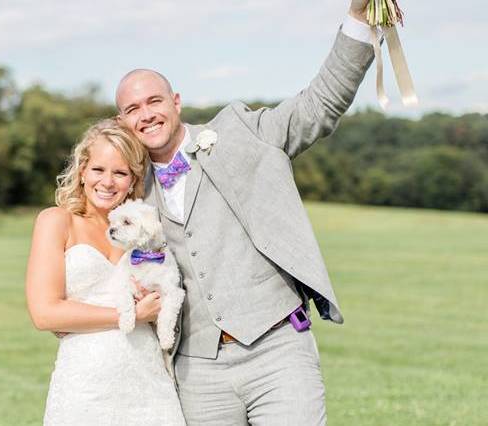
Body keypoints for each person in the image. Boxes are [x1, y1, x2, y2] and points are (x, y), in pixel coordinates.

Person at [114, 2, 377, 424]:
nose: (146, 114)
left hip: (276, 350)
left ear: (176, 102)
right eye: (132, 110)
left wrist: (361, 20)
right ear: (123, 121)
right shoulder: (128, 187)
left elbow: (318, 106)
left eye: (154, 101)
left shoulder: (239, 132)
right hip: (196, 367)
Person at [25, 119, 186, 425]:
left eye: (120, 173)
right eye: (98, 169)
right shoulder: (57, 221)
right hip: (85, 387)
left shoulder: (142, 231)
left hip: (149, 383)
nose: (108, 182)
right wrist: (132, 315)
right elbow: (45, 313)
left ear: (133, 179)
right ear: (82, 170)